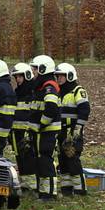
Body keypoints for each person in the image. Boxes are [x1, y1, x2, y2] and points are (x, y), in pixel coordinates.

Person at [30, 55, 62, 200]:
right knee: (41, 160)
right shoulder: (41, 86)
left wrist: (41, 124)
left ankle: (49, 193)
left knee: (45, 160)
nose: (33, 71)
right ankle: (44, 192)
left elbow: (51, 108)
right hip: (42, 131)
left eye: (35, 68)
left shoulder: (49, 86)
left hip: (47, 131)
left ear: (43, 69)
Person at [55, 62, 90, 196]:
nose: (59, 79)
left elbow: (85, 110)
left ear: (69, 76)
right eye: (57, 76)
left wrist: (77, 130)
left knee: (73, 160)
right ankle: (66, 190)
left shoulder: (78, 91)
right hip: (61, 132)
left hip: (73, 132)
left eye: (61, 76)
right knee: (62, 161)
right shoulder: (58, 92)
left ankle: (81, 190)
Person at [10, 62, 38, 194]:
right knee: (19, 157)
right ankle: (25, 183)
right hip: (16, 132)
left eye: (20, 77)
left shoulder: (33, 93)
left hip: (27, 132)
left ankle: (32, 185)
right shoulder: (16, 93)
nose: (18, 79)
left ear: (27, 76)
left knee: (29, 158)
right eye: (16, 77)